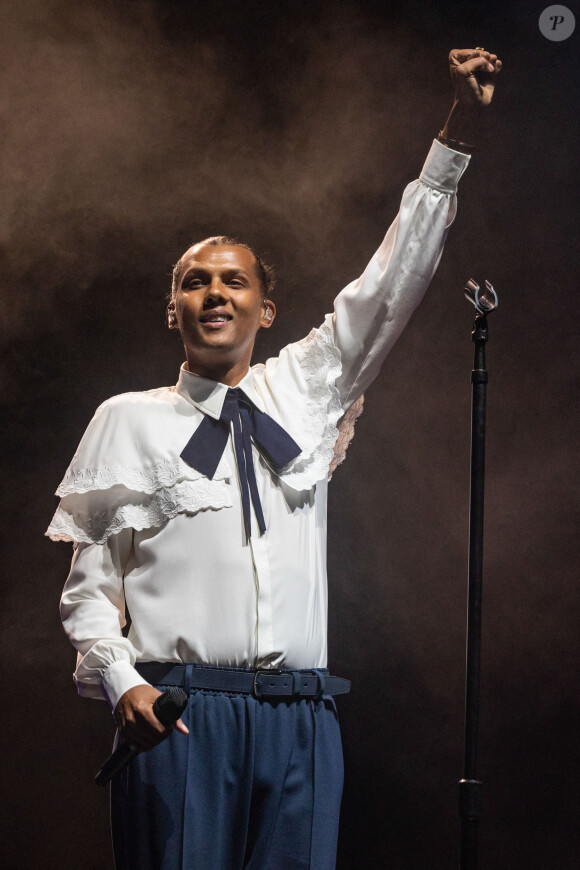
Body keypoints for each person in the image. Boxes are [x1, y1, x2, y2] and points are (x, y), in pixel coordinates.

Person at [48, 48, 501, 870]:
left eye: (232, 280)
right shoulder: (128, 420)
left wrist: (455, 133)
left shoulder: (308, 387)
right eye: (194, 281)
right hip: (184, 717)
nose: (214, 292)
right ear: (173, 308)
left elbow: (391, 281)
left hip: (300, 721)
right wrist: (125, 686)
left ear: (266, 305)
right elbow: (88, 595)